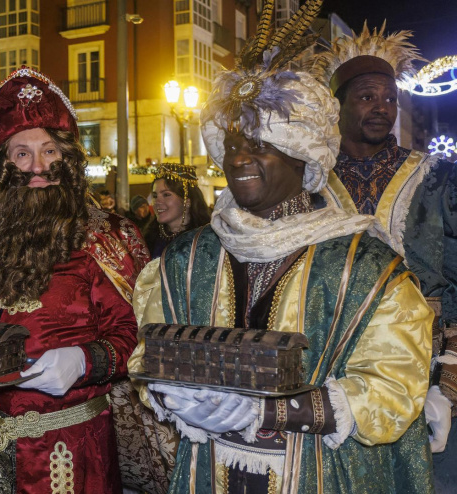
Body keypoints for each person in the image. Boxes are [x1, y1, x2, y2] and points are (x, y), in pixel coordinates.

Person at [129, 5, 434, 491]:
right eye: (231, 145)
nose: (240, 159)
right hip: (207, 471)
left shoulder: (366, 266)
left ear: (302, 156)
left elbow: (392, 388)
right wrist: (171, 397)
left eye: (261, 145)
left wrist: (267, 410)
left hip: (319, 473)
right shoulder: (186, 259)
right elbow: (150, 352)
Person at [0, 67, 150, 493]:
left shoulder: (105, 234)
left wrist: (85, 361)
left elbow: (139, 334)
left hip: (65, 453)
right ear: (2, 165)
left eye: (50, 151)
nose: (38, 166)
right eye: (21, 154)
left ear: (68, 157)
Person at [309, 24, 457, 468]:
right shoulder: (310, 183)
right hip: (331, 361)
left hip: (424, 364)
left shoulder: (437, 177)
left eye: (390, 98)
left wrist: (449, 376)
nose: (383, 108)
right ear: (338, 106)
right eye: (368, 97)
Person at [144, 164, 211, 258]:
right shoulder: (148, 239)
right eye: (155, 196)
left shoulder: (206, 239)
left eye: (166, 195)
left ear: (187, 201)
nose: (157, 202)